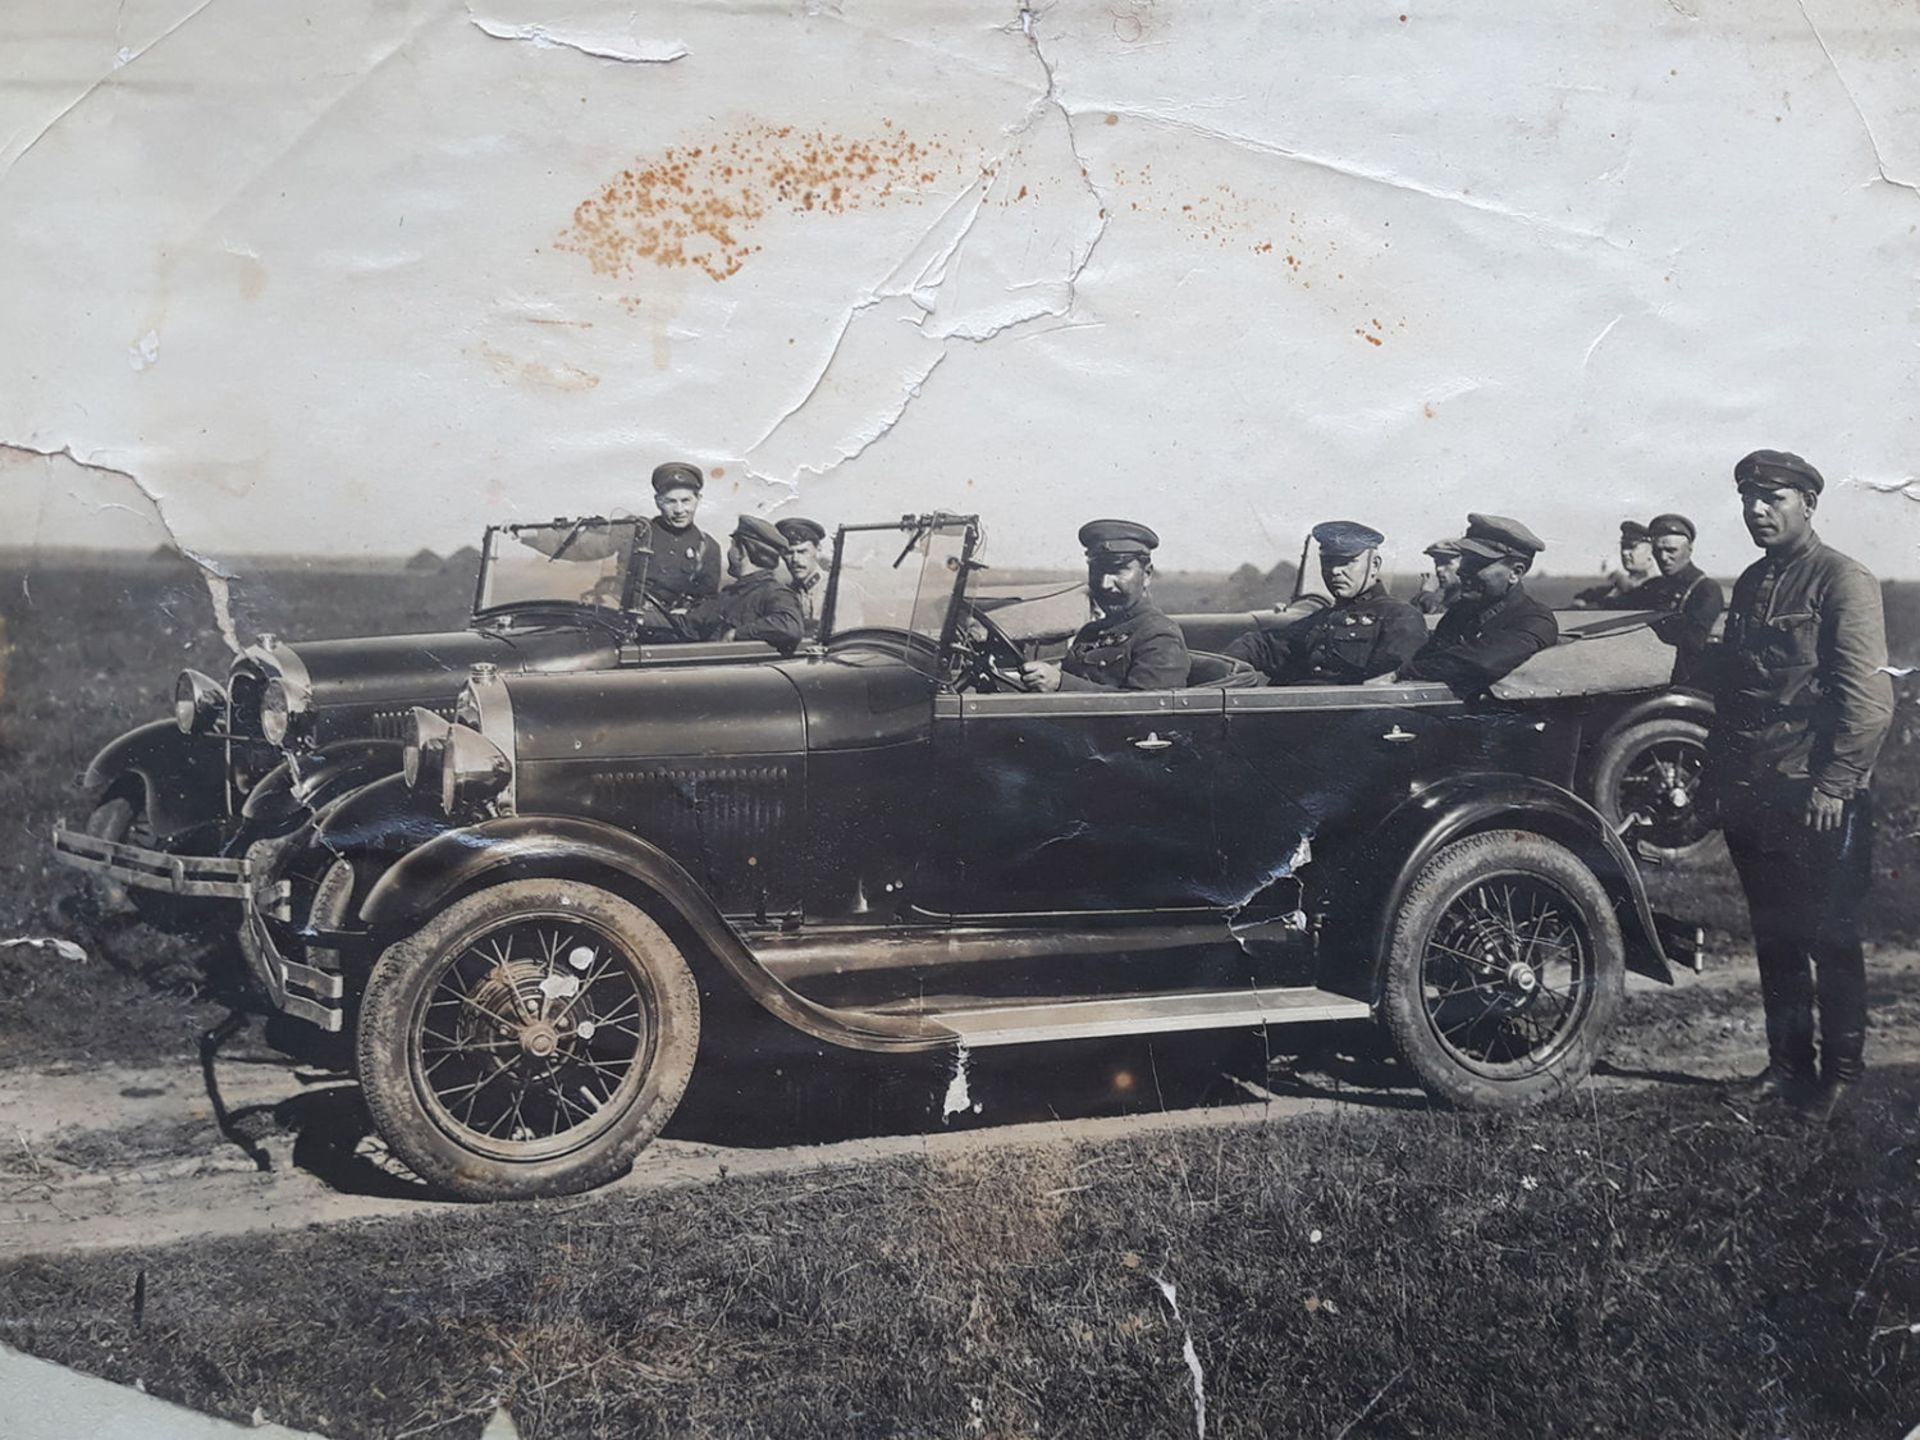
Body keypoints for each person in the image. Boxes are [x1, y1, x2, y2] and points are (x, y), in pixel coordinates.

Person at [1704, 450, 1893, 1118]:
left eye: (1774, 498)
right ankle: (1787, 1068)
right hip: (1755, 788)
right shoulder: (1754, 582)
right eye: (1749, 498)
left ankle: (1840, 1076)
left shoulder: (1842, 580)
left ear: (1809, 503)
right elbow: (1738, 691)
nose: (1758, 510)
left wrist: (1835, 785)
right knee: (1775, 935)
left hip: (1814, 793)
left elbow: (1869, 704)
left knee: (1829, 937)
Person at [1225, 521, 1427, 684]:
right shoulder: (1322, 619)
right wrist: (1221, 667)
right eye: (1328, 562)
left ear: (1374, 565)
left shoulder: (1400, 617)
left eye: (1346, 562)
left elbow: (1385, 686)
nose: (1334, 571)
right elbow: (1263, 645)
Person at [1388, 514, 1558, 694]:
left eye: (1477, 563)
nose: (1461, 571)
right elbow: (1429, 656)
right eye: (1465, 560)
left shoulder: (1534, 620)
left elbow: (1480, 662)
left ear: (1515, 572)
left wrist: (1400, 674)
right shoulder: (1460, 613)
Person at [1019, 520, 1190, 692]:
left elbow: (1148, 711)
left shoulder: (1158, 635)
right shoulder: (1091, 632)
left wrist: (1062, 684)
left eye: (1117, 570)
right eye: (1097, 571)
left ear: (1146, 575)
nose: (1104, 584)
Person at [681, 516, 806, 654]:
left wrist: (737, 634)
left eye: (732, 545)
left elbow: (789, 626)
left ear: (742, 552)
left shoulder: (774, 593)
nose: (729, 552)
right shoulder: (729, 595)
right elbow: (688, 624)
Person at [1636, 512, 1725, 687]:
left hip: (1686, 684)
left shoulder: (1705, 590)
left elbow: (1691, 648)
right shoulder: (1653, 587)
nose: (1663, 558)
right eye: (1658, 551)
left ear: (1689, 550)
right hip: (1652, 675)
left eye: (1671, 550)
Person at [640, 461, 723, 622]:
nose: (679, 510)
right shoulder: (640, 533)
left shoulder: (706, 547)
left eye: (686, 501)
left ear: (698, 499)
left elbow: (707, 599)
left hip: (669, 630)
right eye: (671, 501)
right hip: (626, 626)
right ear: (658, 501)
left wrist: (687, 612)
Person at [1571, 520, 1657, 609]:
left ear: (1651, 552)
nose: (1624, 552)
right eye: (1623, 547)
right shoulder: (1618, 588)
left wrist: (1615, 576)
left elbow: (1634, 593)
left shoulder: (1658, 587)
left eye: (1632, 547)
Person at [775, 516, 830, 638]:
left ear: (818, 550)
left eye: (802, 552)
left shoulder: (838, 589)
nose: (795, 559)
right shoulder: (784, 593)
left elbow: (849, 644)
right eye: (789, 553)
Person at [1413, 538, 1463, 615]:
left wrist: (1426, 593)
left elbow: (1442, 619)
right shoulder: (1449, 595)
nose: (1438, 568)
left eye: (1446, 562)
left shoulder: (1467, 597)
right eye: (1437, 563)